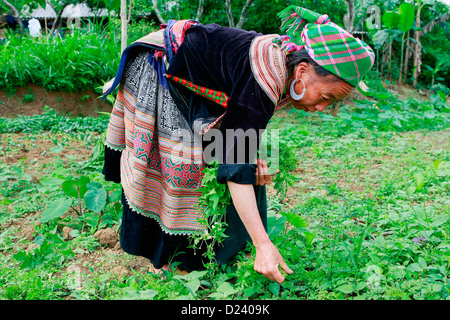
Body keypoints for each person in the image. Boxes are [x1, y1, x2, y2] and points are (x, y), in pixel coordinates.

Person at [101, 6, 375, 284]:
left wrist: (247, 158)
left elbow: (239, 130)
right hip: (161, 65)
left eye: (330, 103)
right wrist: (262, 244)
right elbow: (235, 160)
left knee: (239, 164)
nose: (321, 107)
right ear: (303, 70)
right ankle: (164, 264)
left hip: (195, 85)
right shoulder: (266, 75)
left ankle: (201, 256)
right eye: (324, 96)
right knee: (181, 167)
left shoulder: (284, 63)